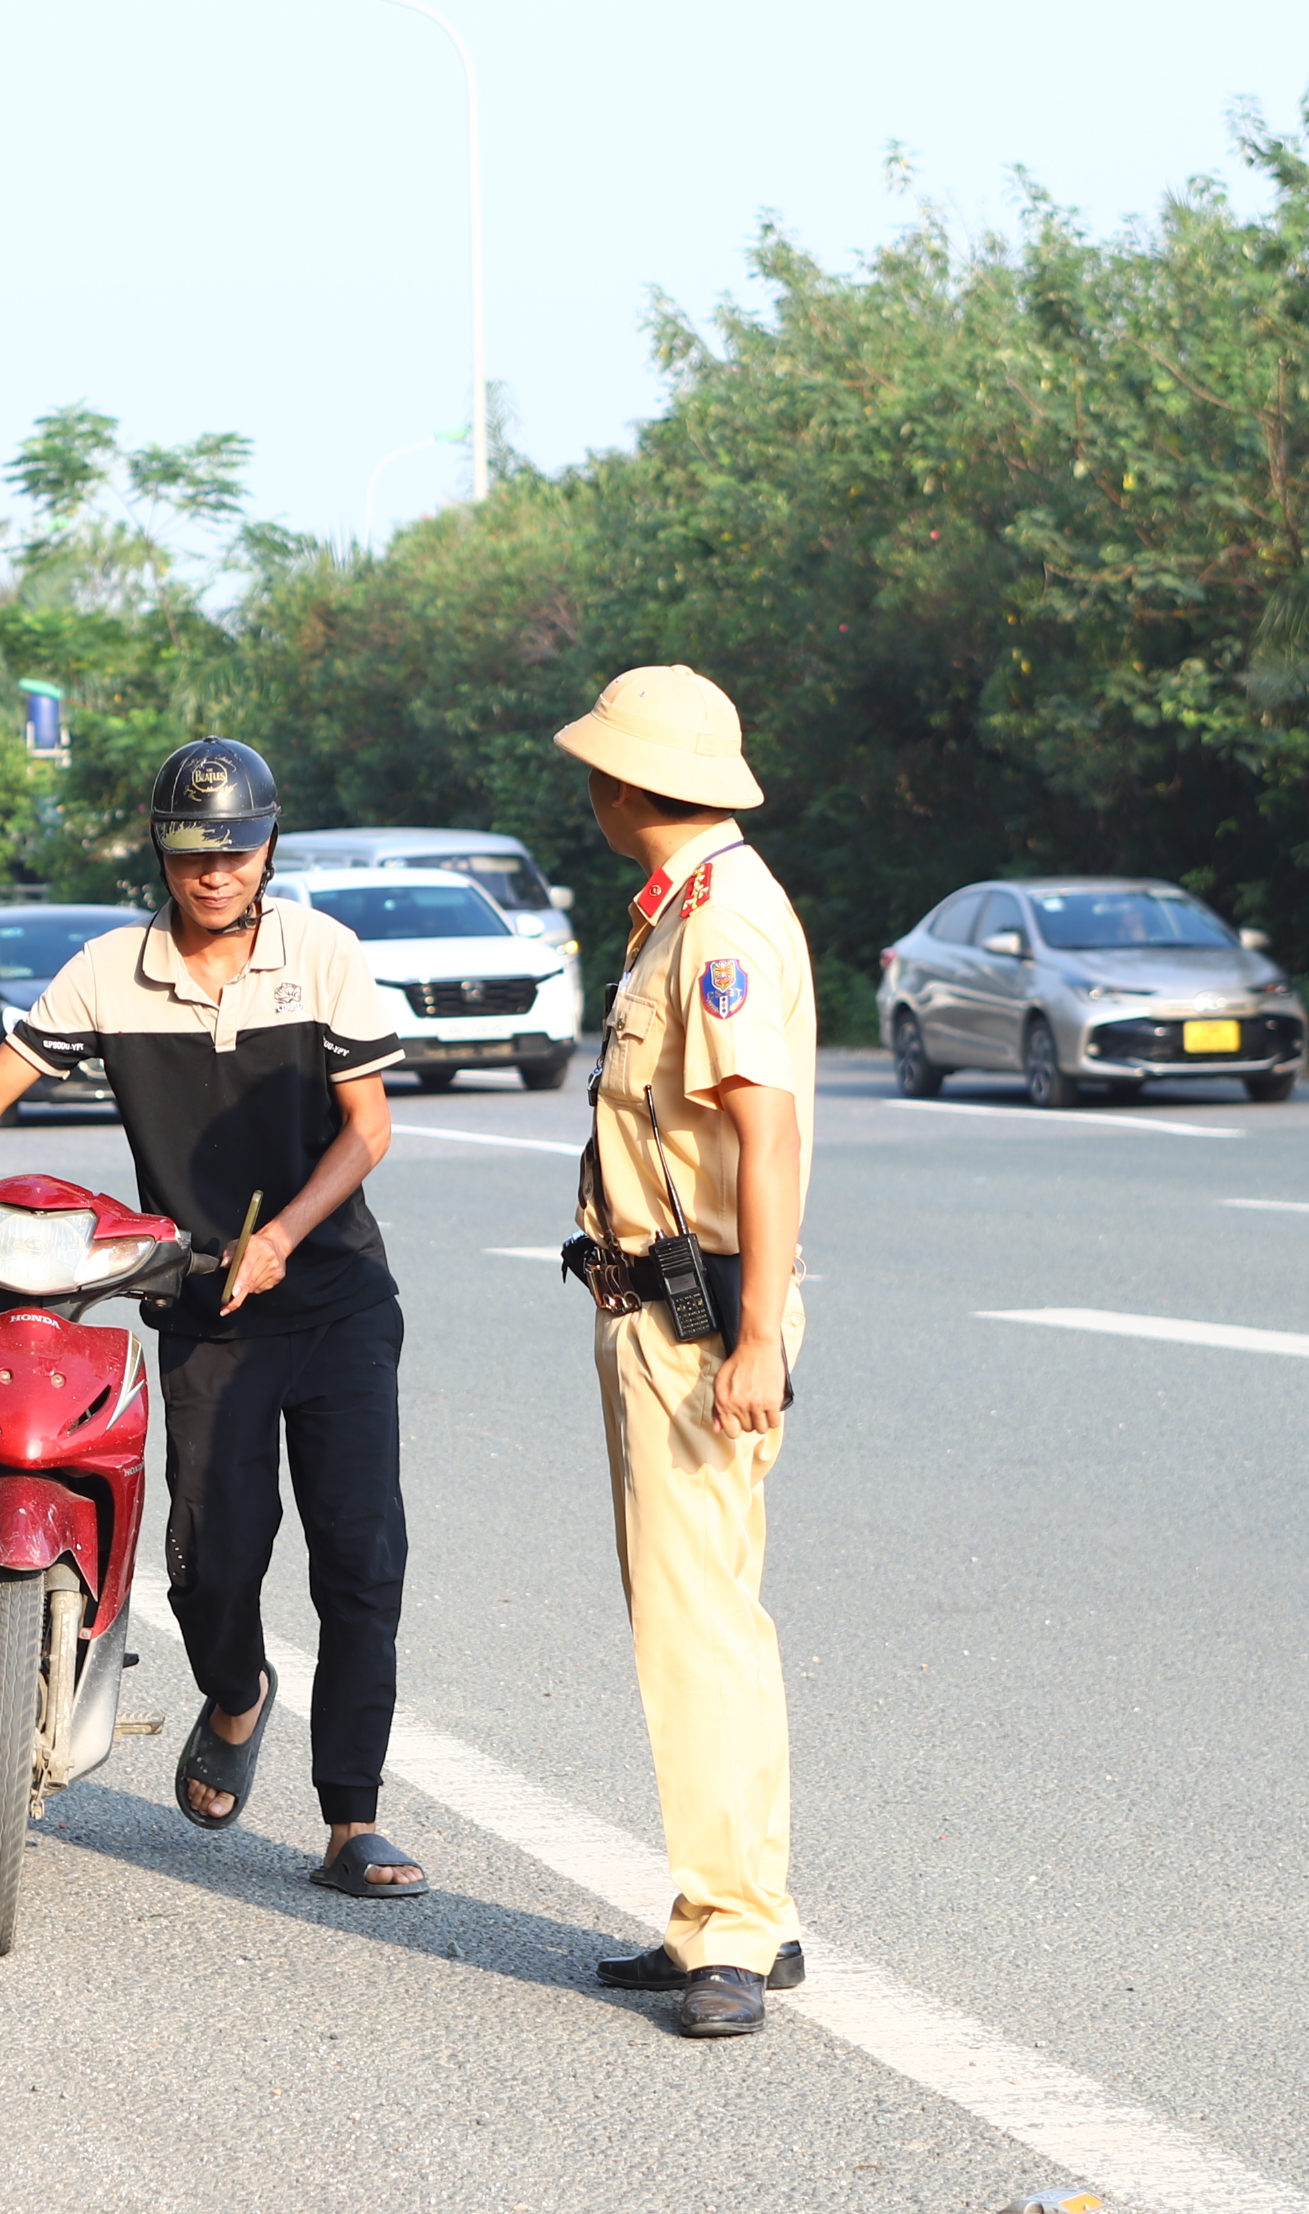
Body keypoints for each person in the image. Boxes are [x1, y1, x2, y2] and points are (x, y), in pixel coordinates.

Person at [0, 739, 429, 1896]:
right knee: (209, 1562)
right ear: (162, 852)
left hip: (333, 1298)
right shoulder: (108, 970)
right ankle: (233, 1696)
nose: (214, 871)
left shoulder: (319, 955)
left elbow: (368, 1126)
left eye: (235, 849)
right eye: (193, 852)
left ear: (267, 847)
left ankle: (351, 1818)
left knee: (359, 1554)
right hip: (200, 1305)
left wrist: (282, 1234)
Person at [553, 665, 813, 2040]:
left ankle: (729, 1928)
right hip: (671, 1310)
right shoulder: (690, 913)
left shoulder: (721, 928)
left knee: (695, 1627)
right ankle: (740, 1910)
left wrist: (758, 1335)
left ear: (627, 788)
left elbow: (762, 1131)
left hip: (695, 1319)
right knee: (714, 1614)